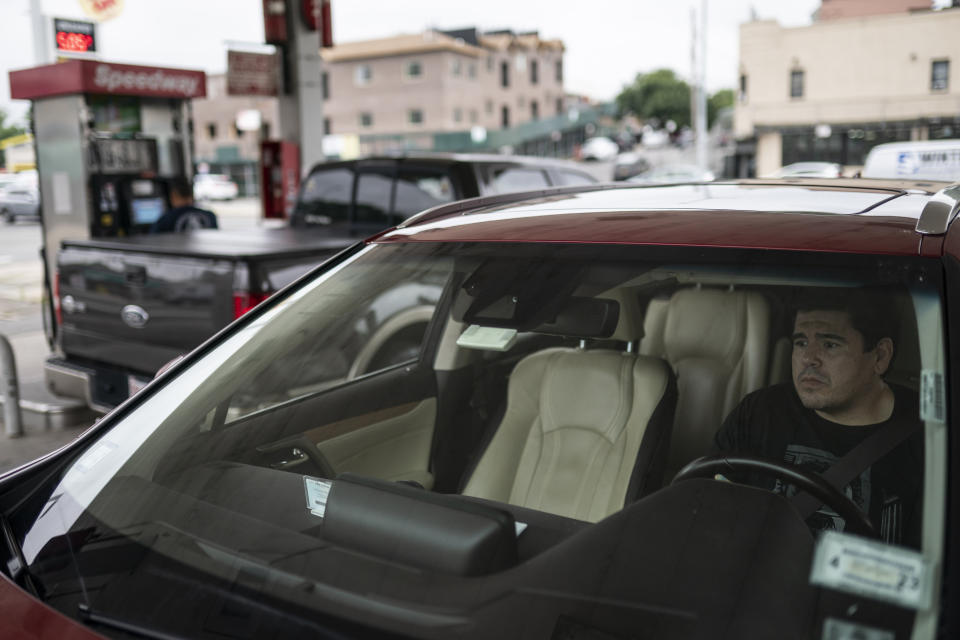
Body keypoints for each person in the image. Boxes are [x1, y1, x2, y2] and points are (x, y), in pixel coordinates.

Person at [713, 288, 924, 548]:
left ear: (880, 356)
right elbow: (707, 510)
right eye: (801, 342)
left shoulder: (928, 439)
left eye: (830, 344)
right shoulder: (760, 412)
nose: (807, 358)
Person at [151, 177, 219, 232]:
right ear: (191, 196)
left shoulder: (166, 219)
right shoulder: (210, 215)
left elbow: (152, 240)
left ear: (173, 197)